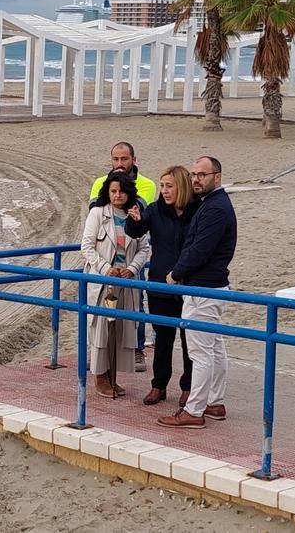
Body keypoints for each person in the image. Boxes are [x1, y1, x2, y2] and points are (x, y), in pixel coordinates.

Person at [157, 156, 236, 429]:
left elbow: (200, 248)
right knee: (213, 347)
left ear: (218, 176)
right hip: (211, 286)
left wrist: (176, 273)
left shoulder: (215, 208)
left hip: (204, 288)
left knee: (201, 352)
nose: (196, 180)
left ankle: (195, 410)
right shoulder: (211, 205)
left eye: (202, 175)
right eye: (193, 175)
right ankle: (214, 402)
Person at [125, 165, 199, 408]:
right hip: (159, 285)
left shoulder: (198, 210)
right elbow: (136, 230)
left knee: (191, 341)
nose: (165, 191)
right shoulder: (155, 210)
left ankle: (188, 388)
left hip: (190, 285)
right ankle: (159, 385)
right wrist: (134, 221)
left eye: (170, 186)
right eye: (162, 186)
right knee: (163, 338)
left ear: (182, 186)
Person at [80, 172, 151, 399]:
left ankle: (113, 377)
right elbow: (87, 247)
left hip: (127, 281)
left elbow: (144, 248)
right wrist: (105, 269)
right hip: (103, 282)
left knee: (122, 329)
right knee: (102, 329)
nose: (117, 195)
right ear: (107, 192)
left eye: (121, 191)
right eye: (113, 191)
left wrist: (132, 268)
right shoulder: (98, 214)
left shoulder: (136, 216)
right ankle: (100, 377)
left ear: (129, 192)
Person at [88, 141, 157, 373]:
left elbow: (141, 225)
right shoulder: (99, 184)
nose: (119, 164)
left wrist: (134, 266)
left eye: (124, 159)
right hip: (105, 267)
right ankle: (99, 358)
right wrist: (105, 266)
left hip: (129, 262)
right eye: (115, 159)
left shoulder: (147, 185)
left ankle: (136, 348)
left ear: (133, 160)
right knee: (100, 313)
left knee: (135, 306)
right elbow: (92, 225)